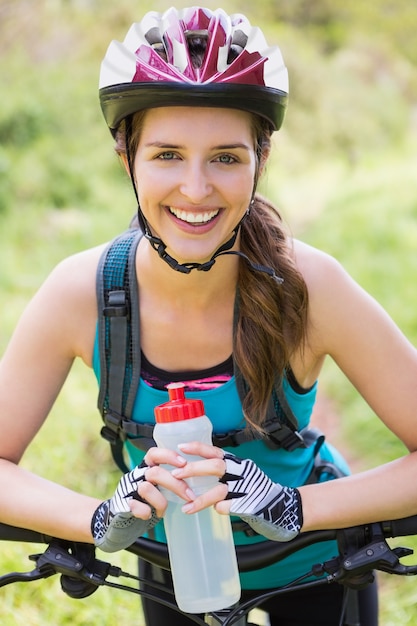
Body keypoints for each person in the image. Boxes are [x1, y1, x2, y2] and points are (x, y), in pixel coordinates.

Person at [1, 6, 417, 625]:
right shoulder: (82, 293)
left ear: (261, 156)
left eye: (225, 157)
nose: (196, 190)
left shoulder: (310, 287)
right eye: (168, 154)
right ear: (127, 157)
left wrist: (292, 506)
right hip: (175, 576)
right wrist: (97, 518)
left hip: (319, 567)